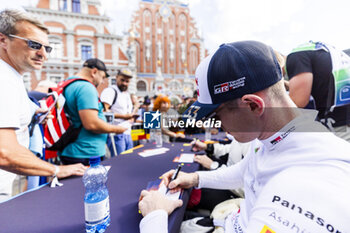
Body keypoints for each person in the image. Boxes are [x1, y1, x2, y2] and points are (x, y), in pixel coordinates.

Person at [138, 41, 350, 232]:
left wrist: (154, 216)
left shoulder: (311, 180)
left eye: (216, 116)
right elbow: (246, 170)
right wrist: (194, 178)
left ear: (252, 105)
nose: (217, 126)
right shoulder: (275, 136)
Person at [0, 9, 86, 201]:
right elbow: (4, 152)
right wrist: (56, 169)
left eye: (47, 48)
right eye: (33, 45)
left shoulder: (11, 76)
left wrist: (32, 115)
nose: (43, 55)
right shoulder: (3, 78)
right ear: (3, 40)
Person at [58, 58, 126, 165]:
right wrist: (118, 129)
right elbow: (91, 124)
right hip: (86, 153)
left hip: (71, 149)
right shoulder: (86, 87)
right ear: (94, 72)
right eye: (102, 77)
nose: (102, 81)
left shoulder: (68, 84)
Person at [285, 41, 350, 142]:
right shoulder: (321, 50)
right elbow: (323, 82)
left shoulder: (295, 56)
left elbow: (299, 101)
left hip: (340, 126)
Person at [100, 68, 136, 156]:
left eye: (127, 81)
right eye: (122, 80)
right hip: (116, 134)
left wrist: (131, 117)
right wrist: (124, 116)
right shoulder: (110, 91)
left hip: (127, 132)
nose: (124, 83)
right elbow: (104, 112)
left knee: (128, 161)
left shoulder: (126, 94)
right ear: (116, 78)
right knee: (119, 163)